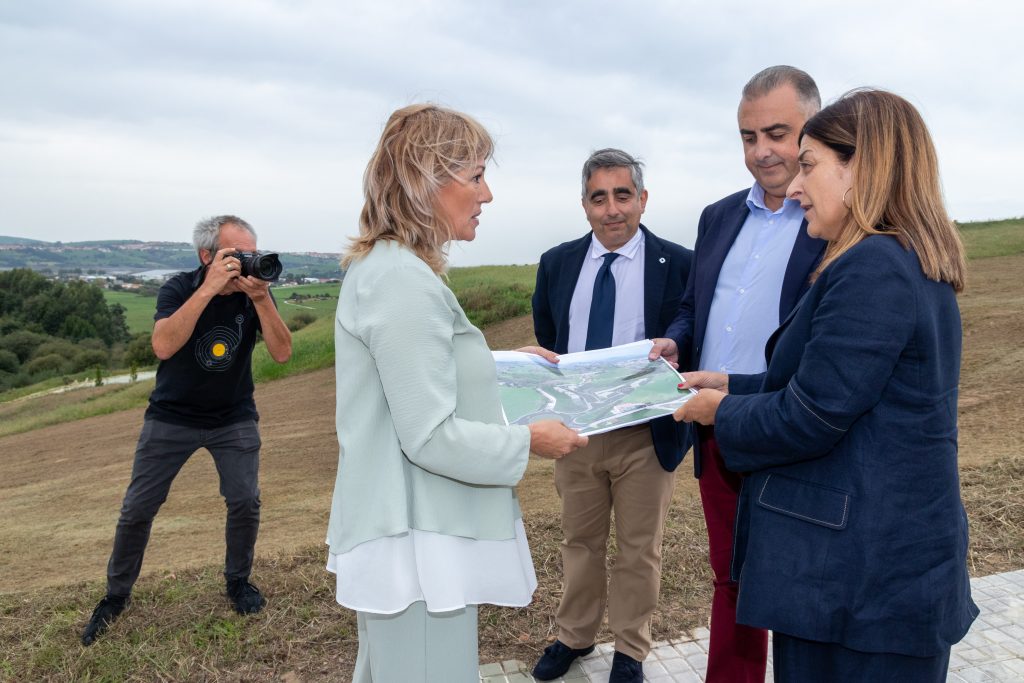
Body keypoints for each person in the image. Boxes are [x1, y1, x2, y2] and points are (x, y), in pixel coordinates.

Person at [674, 88, 978, 682]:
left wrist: (717, 412)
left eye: (808, 165)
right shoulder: (897, 259)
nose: (792, 186)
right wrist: (731, 383)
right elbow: (834, 385)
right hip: (875, 573)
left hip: (863, 582)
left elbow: (811, 416)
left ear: (860, 166)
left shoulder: (872, 268)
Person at [326, 104, 587, 683]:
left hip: (409, 534)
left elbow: (410, 372)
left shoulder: (390, 268)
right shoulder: (402, 281)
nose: (487, 194)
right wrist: (529, 442)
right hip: (418, 547)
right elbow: (429, 436)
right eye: (475, 176)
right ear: (427, 181)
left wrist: (495, 363)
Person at [649, 65, 826, 682]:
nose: (762, 151)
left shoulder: (832, 221)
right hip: (717, 430)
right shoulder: (718, 216)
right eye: (749, 136)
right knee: (733, 579)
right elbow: (697, 304)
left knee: (803, 583)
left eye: (777, 133)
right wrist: (677, 339)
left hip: (798, 430)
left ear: (814, 128)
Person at [81, 215, 293, 646]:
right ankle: (116, 595)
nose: (247, 263)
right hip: (172, 416)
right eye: (236, 255)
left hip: (232, 415)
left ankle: (238, 582)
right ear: (206, 255)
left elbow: (283, 353)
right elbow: (162, 345)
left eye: (251, 253)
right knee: (138, 507)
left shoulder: (254, 296)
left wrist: (263, 300)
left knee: (245, 501)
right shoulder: (179, 287)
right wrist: (209, 288)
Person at [528, 149, 693, 683]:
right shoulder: (557, 263)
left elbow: (690, 325)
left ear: (642, 200)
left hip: (646, 433)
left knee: (640, 549)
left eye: (623, 195)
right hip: (576, 434)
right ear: (584, 205)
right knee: (579, 541)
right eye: (599, 197)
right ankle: (574, 635)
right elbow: (551, 334)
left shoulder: (678, 263)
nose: (612, 209)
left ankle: (630, 650)